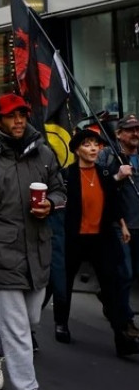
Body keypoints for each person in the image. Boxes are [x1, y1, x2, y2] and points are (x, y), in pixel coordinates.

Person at [0, 94, 66, 390]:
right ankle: (27, 386)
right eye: (11, 115)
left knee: (30, 319)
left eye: (23, 114)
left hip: (38, 248)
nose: (18, 120)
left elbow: (60, 190)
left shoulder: (43, 153)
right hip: (0, 251)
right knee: (19, 330)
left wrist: (51, 204)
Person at [55, 129, 139, 355]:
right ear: (76, 149)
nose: (93, 148)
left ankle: (122, 339)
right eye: (87, 144)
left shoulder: (103, 173)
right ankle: (61, 323)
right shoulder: (67, 175)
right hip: (74, 238)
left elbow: (112, 201)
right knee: (64, 283)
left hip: (100, 238)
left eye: (96, 145)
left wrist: (121, 224)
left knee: (111, 286)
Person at [97, 113, 139, 340]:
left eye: (138, 129)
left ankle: (107, 295)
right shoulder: (108, 155)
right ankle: (125, 322)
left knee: (132, 275)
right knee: (125, 273)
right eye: (130, 130)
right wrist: (117, 176)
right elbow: (97, 186)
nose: (135, 134)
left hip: (137, 224)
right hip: (118, 224)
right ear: (118, 134)